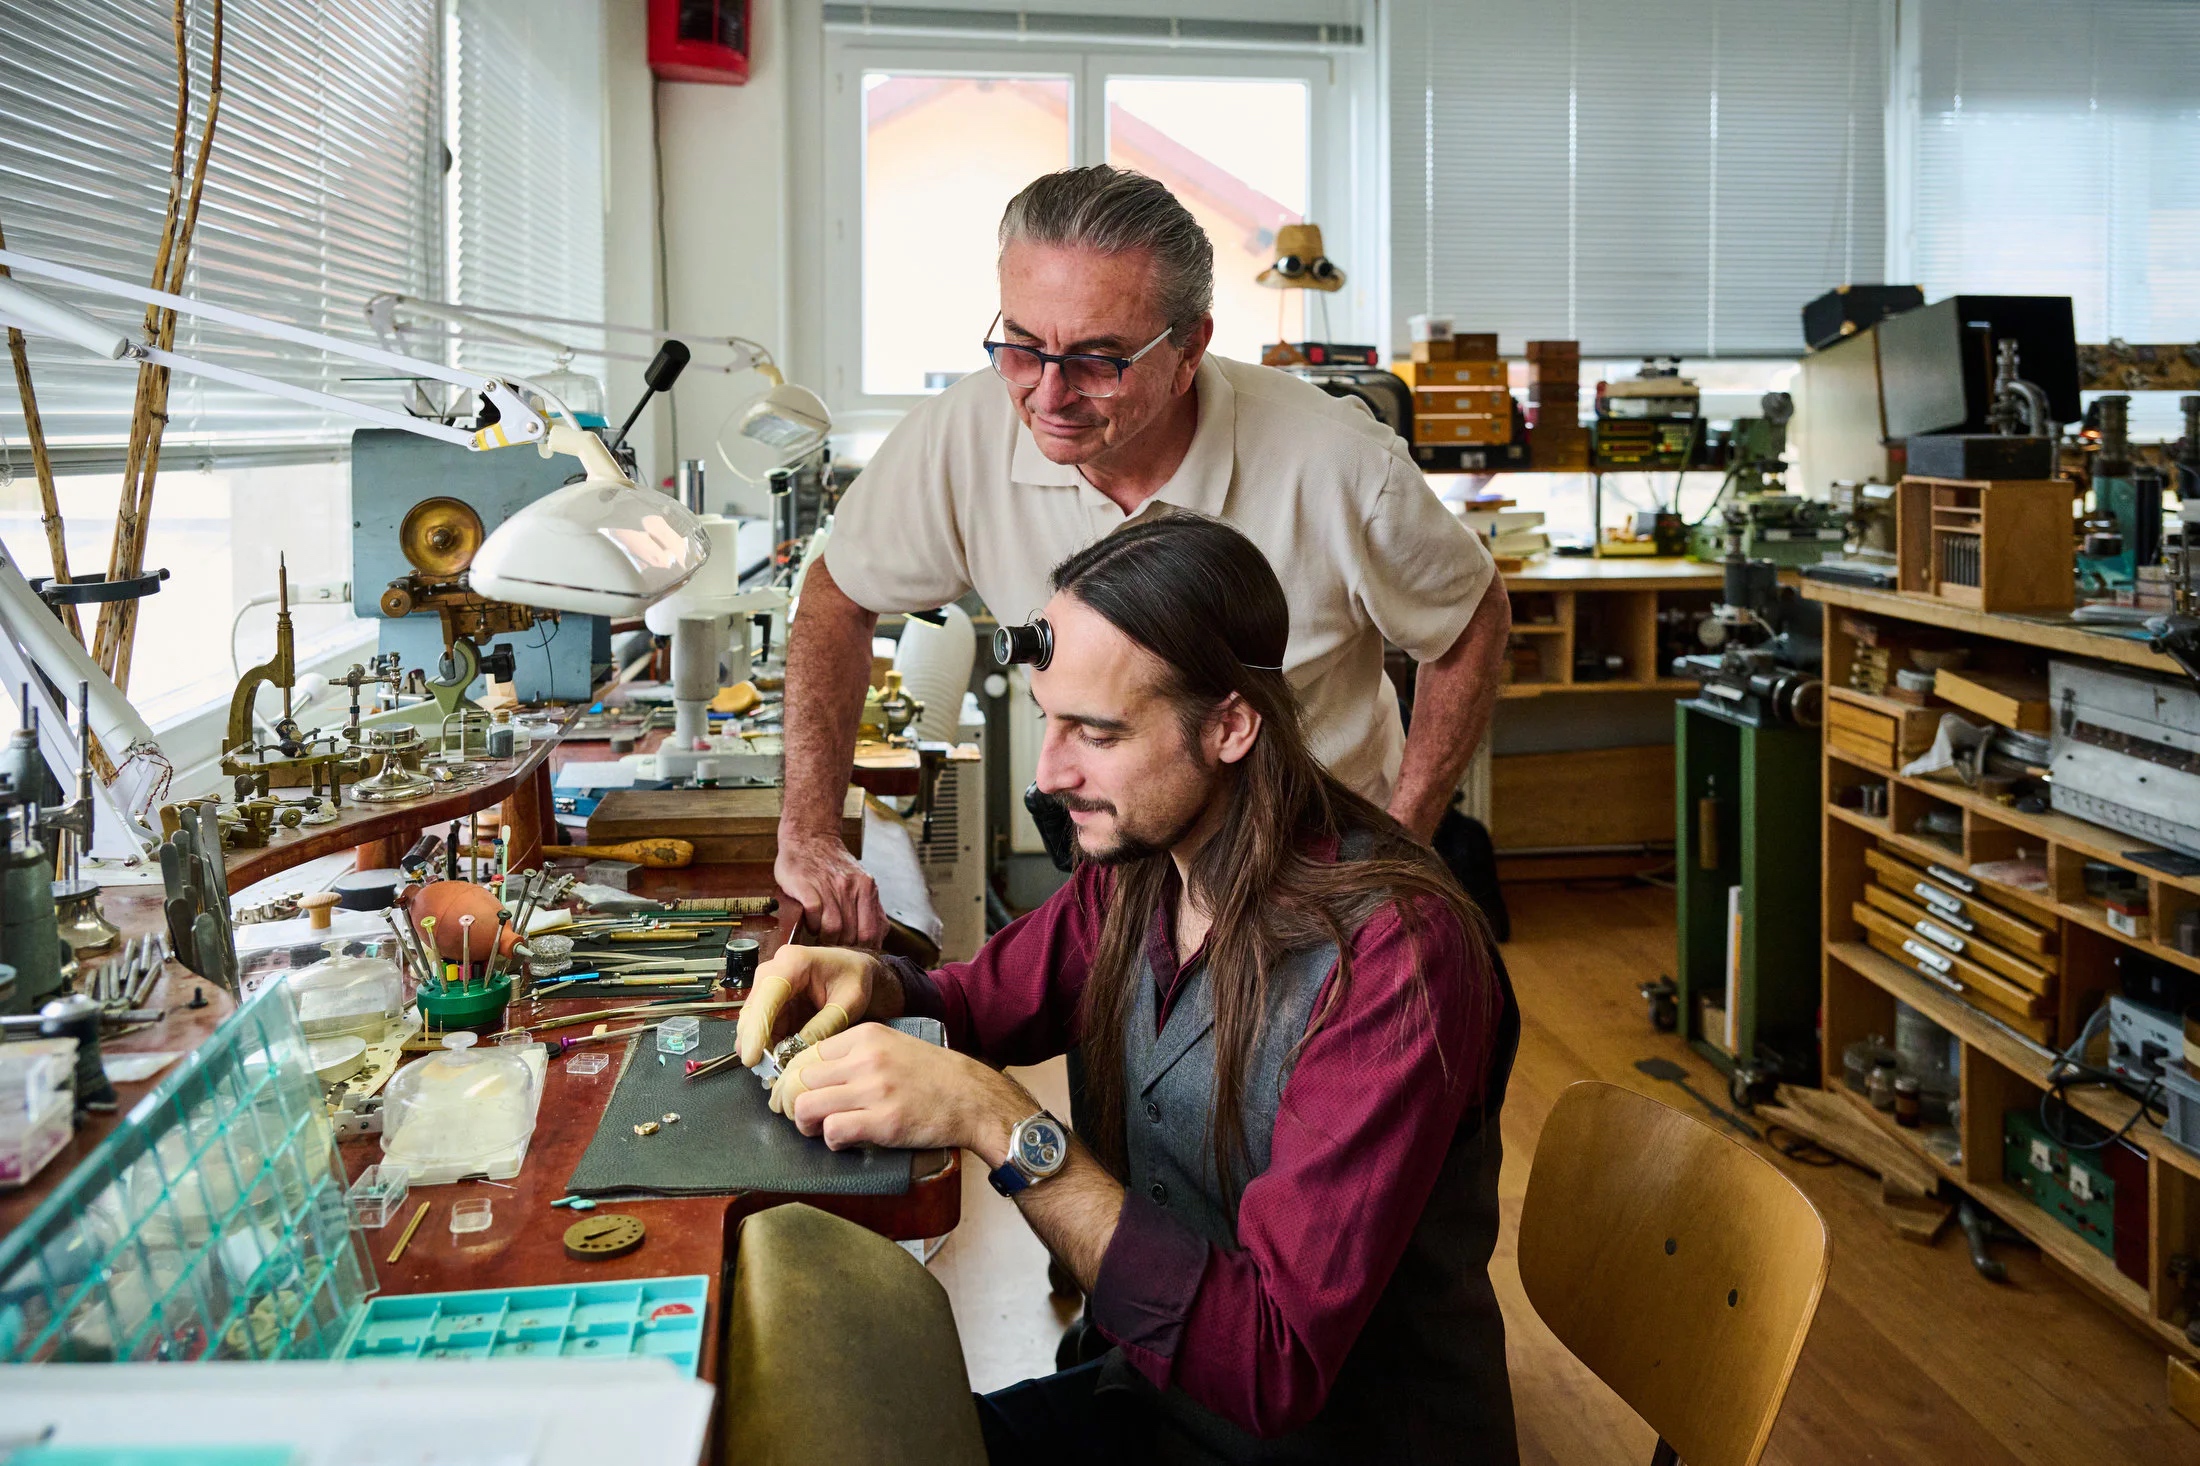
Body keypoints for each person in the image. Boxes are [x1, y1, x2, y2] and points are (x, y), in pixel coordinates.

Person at [740, 516, 1519, 1464]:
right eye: (1049, 719)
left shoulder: (1397, 959)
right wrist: (872, 984)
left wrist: (1001, 1123)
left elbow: (1270, 1364)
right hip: (1148, 1395)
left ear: (1230, 725)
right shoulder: (1143, 870)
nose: (1048, 773)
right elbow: (976, 1004)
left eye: (1097, 733)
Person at [777, 164, 1511, 944]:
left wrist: (1403, 844)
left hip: (1317, 882)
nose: (1048, 396)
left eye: (1098, 361)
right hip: (1116, 879)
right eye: (1022, 347)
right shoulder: (959, 437)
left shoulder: (1339, 464)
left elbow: (1472, 618)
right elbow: (836, 595)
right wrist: (810, 830)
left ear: (1189, 349)